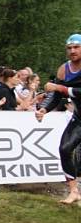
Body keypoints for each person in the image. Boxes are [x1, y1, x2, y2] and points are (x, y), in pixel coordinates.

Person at [36, 33, 81, 204]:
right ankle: (74, 191)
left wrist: (60, 88)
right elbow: (55, 95)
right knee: (64, 149)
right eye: (69, 48)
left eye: (76, 47)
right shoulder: (64, 69)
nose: (72, 51)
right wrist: (44, 109)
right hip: (79, 118)